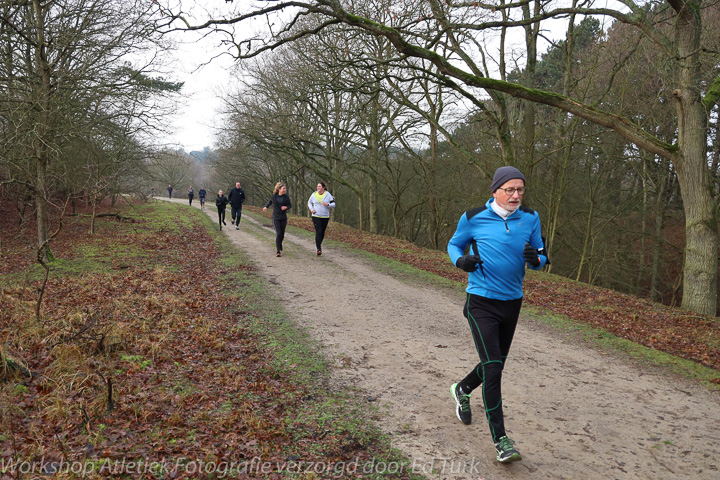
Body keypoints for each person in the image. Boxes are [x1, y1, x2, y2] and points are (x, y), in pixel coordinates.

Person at [446, 166, 547, 464]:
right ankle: (501, 440)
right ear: (495, 191)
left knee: (495, 362)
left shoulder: (531, 218)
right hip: (480, 302)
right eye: (510, 190)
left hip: (512, 302)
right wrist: (461, 261)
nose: (516, 195)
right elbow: (454, 244)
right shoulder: (473, 216)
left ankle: (461, 389)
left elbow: (542, 255)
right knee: (494, 369)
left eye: (520, 190)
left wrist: (537, 259)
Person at [262, 182, 292, 257]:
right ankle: (278, 250)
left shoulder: (286, 197)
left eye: (285, 188)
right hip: (276, 217)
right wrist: (266, 207)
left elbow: (290, 205)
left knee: (282, 234)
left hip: (283, 218)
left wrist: (286, 207)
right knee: (278, 233)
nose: (284, 190)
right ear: (279, 189)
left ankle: (280, 243)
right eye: (283, 188)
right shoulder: (274, 196)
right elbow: (270, 202)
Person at [307, 182, 336, 255]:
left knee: (322, 233)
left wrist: (327, 204)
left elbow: (334, 204)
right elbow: (309, 203)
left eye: (319, 186)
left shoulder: (328, 195)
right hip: (316, 216)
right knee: (318, 231)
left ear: (323, 187)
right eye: (317, 186)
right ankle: (319, 248)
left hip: (325, 216)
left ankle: (319, 244)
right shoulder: (314, 194)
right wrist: (312, 209)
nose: (318, 188)